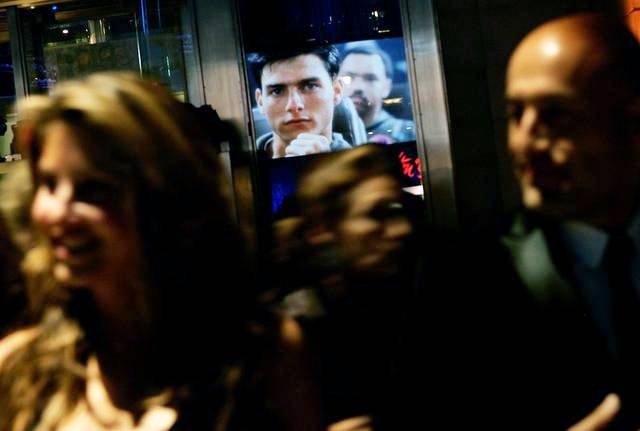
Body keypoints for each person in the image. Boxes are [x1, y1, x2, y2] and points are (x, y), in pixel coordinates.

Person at [0, 72, 321, 430]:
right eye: (48, 183)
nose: (57, 212)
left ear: (162, 202)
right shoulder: (22, 370)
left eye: (93, 189)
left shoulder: (261, 356)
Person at [487, 12, 640, 429]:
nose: (525, 143)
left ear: (632, 121)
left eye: (557, 115)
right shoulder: (473, 281)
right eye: (516, 114)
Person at [273, 144, 425, 430]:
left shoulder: (410, 298)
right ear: (322, 231)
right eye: (376, 215)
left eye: (396, 212)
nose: (401, 229)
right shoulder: (293, 331)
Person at [252, 44, 352, 158]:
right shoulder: (241, 164)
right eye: (277, 91)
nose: (294, 105)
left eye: (310, 86)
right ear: (260, 102)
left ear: (336, 91)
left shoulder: (362, 169)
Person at [338, 46, 416, 144]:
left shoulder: (411, 134)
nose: (358, 87)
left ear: (387, 87)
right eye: (348, 77)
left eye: (370, 78)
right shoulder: (321, 133)